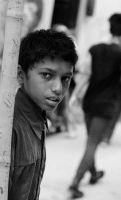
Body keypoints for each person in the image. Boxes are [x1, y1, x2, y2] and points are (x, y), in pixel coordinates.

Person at [0, 29, 78, 200]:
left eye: (65, 78)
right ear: (20, 75)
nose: (58, 88)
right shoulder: (2, 131)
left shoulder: (37, 120)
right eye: (47, 75)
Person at [68, 13, 121, 199]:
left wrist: (75, 95)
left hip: (89, 102)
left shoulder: (95, 49)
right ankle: (75, 182)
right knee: (92, 143)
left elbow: (85, 75)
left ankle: (94, 173)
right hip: (106, 106)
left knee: (91, 141)